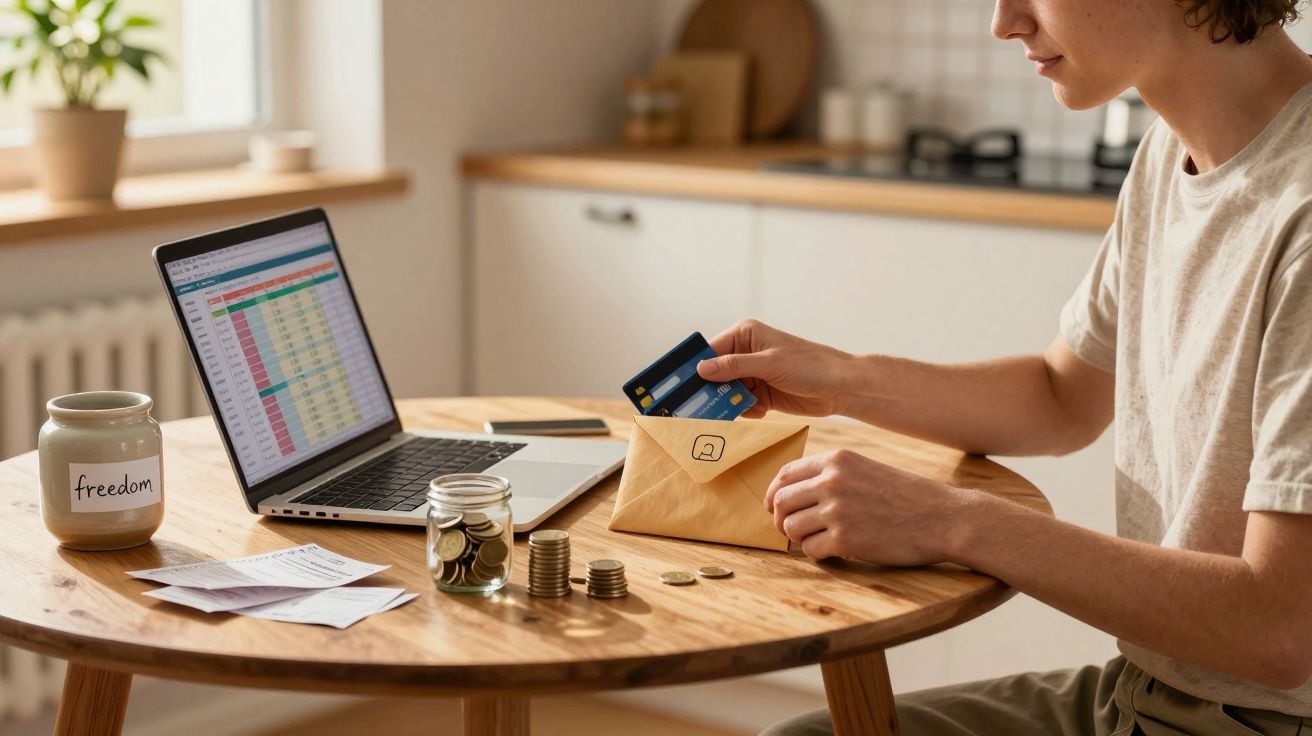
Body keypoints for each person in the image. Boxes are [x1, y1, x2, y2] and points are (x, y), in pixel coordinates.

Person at [716, 1, 1312, 734]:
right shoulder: (1171, 151)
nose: (1004, 21)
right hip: (1146, 690)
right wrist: (840, 378)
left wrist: (947, 521)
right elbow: (1061, 398)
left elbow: (1277, 629)